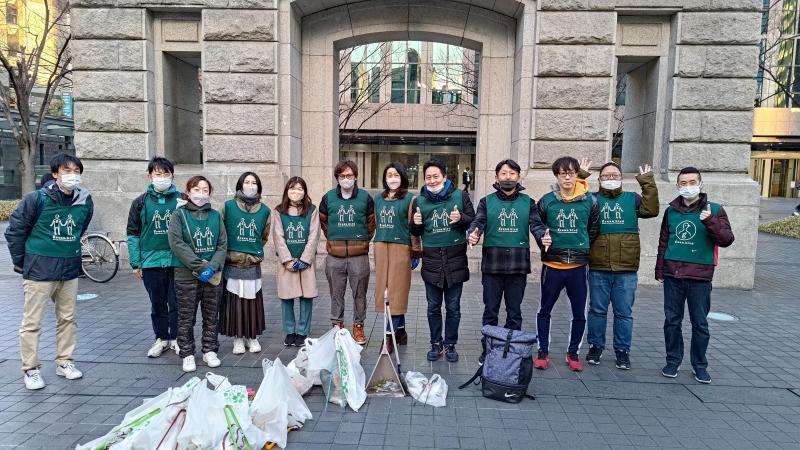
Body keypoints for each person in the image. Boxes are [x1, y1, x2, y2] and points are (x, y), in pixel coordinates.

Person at [5, 153, 93, 390]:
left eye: (76, 171)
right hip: (39, 271)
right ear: (55, 174)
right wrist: (22, 262)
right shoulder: (36, 199)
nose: (72, 176)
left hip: (69, 270)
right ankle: (31, 369)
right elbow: (14, 231)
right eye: (67, 171)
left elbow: (79, 229)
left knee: (68, 319)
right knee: (32, 322)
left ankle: (65, 361)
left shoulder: (85, 201)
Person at [656, 166, 734, 384]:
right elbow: (664, 242)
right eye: (683, 183)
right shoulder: (671, 211)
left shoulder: (715, 210)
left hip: (700, 277)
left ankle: (700, 365)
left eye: (692, 182)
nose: (688, 187)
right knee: (672, 321)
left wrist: (710, 221)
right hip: (673, 274)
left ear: (700, 184)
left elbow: (726, 240)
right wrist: (660, 270)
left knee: (700, 323)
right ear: (678, 185)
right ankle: (673, 360)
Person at [467, 159, 547, 363]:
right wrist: (473, 234)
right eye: (503, 173)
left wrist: (543, 238)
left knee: (514, 312)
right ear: (497, 177)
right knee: (490, 311)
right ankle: (489, 349)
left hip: (517, 266)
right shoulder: (487, 201)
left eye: (512, 173)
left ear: (518, 177)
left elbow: (536, 225)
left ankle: (511, 352)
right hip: (492, 265)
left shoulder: (528, 202)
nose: (508, 177)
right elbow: (478, 222)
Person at [585, 162, 659, 370]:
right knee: (597, 310)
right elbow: (574, 200)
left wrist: (647, 183)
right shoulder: (591, 200)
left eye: (615, 175)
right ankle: (595, 346)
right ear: (599, 180)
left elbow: (651, 209)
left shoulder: (632, 199)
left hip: (626, 268)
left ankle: (622, 350)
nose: (610, 178)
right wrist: (581, 176)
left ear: (622, 178)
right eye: (606, 176)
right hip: (598, 266)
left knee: (624, 313)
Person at [533, 156, 600, 372]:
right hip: (553, 265)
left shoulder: (590, 200)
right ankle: (543, 350)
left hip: (578, 268)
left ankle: (573, 352)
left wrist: (581, 248)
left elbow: (593, 229)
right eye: (563, 173)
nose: (567, 177)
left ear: (577, 174)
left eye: (571, 172)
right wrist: (542, 237)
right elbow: (537, 225)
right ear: (557, 176)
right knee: (545, 310)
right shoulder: (547, 200)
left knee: (579, 313)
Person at [410, 159, 474, 362]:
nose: (431, 180)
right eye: (428, 177)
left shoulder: (460, 195)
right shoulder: (419, 201)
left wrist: (461, 218)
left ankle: (451, 344)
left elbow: (473, 220)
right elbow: (414, 231)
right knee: (432, 307)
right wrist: (415, 223)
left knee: (453, 307)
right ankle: (435, 344)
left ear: (444, 177)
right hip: (432, 262)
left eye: (435, 176)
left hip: (455, 260)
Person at [168, 176, 227, 372]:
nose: (200, 193)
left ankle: (210, 349)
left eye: (205, 190)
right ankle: (187, 353)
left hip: (213, 276)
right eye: (196, 189)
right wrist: (199, 267)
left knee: (211, 315)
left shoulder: (215, 215)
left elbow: (222, 244)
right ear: (188, 190)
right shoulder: (179, 215)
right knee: (186, 316)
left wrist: (213, 266)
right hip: (186, 275)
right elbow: (177, 244)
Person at [126, 157, 180, 358]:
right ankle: (161, 338)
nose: (162, 178)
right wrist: (136, 262)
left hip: (177, 261)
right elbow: (133, 233)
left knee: (176, 302)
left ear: (172, 175)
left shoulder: (181, 200)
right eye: (158, 174)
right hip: (151, 262)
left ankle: (175, 337)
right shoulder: (140, 203)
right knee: (157, 302)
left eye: (166, 174)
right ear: (150, 176)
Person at [319, 160, 376, 344]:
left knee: (359, 294)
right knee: (336, 293)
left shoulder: (365, 198)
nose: (346, 179)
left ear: (355, 177)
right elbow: (324, 221)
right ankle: (337, 326)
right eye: (342, 176)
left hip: (359, 256)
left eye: (349, 175)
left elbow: (371, 224)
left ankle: (358, 327)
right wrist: (333, 239)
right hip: (334, 257)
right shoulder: (328, 198)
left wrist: (361, 240)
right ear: (337, 177)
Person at [219, 172, 271, 354]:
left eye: (254, 182)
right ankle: (238, 338)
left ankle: (252, 336)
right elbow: (221, 232)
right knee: (235, 301)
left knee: (252, 302)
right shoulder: (228, 206)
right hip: (232, 262)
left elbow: (263, 236)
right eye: (247, 182)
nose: (250, 185)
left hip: (252, 263)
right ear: (240, 185)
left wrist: (251, 251)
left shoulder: (265, 211)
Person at [373, 162, 421, 354]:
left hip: (401, 248)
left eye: (396, 175)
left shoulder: (410, 199)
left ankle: (388, 336)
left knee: (397, 293)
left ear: (402, 177)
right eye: (389, 174)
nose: (392, 178)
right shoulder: (378, 199)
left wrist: (416, 251)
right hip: (381, 246)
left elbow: (414, 228)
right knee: (383, 292)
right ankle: (400, 331)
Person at [271, 177, 321, 347]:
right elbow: (278, 236)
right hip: (287, 263)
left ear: (305, 191)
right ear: (287, 191)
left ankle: (302, 331)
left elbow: (314, 235)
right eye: (292, 189)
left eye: (300, 189)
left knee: (306, 298)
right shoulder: (279, 211)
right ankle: (290, 330)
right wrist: (287, 260)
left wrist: (305, 259)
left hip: (306, 263)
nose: (296, 192)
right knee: (287, 298)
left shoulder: (311, 210)